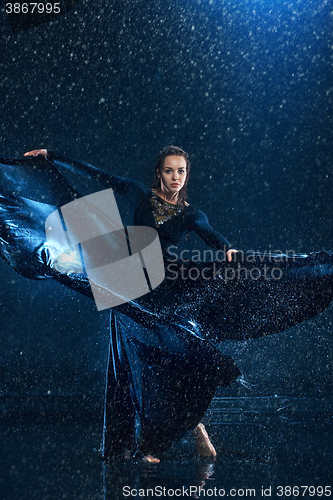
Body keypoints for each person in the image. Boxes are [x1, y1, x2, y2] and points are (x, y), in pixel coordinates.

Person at [0, 146, 332, 462]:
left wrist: (228, 249)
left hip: (167, 283)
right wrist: (53, 157)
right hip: (128, 277)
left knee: (177, 350)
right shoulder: (138, 193)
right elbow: (97, 175)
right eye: (170, 171)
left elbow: (213, 237)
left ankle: (180, 430)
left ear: (187, 175)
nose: (176, 177)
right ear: (159, 173)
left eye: (182, 171)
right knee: (81, 227)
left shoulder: (192, 214)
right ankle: (166, 436)